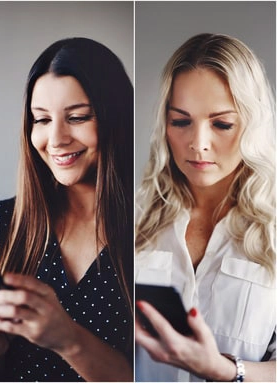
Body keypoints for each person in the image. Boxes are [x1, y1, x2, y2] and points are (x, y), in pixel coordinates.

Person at [134, 33, 276, 382]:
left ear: (252, 124)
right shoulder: (130, 218)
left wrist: (223, 371)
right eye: (181, 121)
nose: (198, 144)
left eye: (222, 124)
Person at [0, 37, 134, 381]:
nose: (56, 139)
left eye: (78, 117)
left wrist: (69, 339)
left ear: (114, 117)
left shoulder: (151, 231)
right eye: (41, 120)